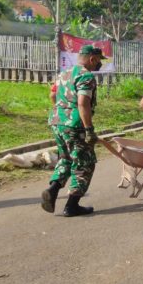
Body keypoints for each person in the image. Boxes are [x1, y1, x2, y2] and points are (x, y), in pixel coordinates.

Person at [41, 45, 104, 217]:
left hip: (57, 122)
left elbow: (52, 95)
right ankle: (72, 205)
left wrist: (62, 112)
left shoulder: (65, 73)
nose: (99, 64)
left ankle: (53, 190)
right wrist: (89, 129)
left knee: (66, 158)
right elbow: (83, 103)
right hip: (75, 126)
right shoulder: (86, 76)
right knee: (84, 163)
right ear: (92, 58)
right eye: (99, 60)